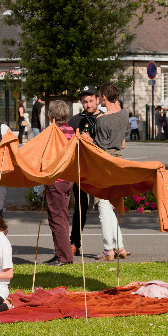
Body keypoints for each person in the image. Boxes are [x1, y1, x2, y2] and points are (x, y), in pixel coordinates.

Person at [89, 83, 131, 260]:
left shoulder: (102, 120)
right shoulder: (124, 114)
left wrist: (86, 139)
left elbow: (99, 146)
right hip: (119, 161)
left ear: (104, 98)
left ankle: (108, 249)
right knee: (112, 206)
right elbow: (123, 141)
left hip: (105, 163)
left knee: (104, 207)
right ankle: (120, 246)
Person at [68, 86, 104, 256]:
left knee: (106, 206)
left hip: (101, 168)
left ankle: (112, 246)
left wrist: (93, 141)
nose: (88, 105)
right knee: (80, 207)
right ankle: (75, 242)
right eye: (84, 102)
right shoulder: (75, 121)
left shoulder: (105, 118)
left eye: (91, 101)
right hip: (81, 169)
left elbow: (113, 144)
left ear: (97, 99)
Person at [41, 100, 76, 266]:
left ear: (51, 116)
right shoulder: (70, 130)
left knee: (56, 219)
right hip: (68, 179)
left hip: (56, 179)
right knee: (62, 216)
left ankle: (64, 257)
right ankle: (60, 253)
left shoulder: (53, 133)